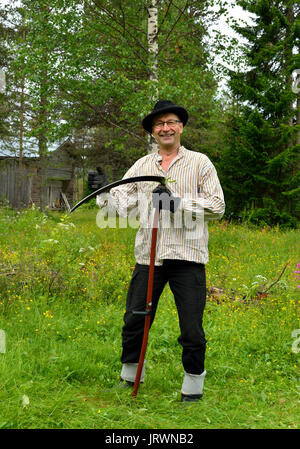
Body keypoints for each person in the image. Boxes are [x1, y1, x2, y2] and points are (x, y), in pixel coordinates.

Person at [97, 100, 225, 402]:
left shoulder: (200, 163)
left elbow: (217, 207)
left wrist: (177, 202)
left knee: (191, 327)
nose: (165, 128)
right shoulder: (142, 166)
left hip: (188, 257)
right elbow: (121, 207)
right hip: (148, 256)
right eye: (159, 124)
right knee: (135, 319)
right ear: (153, 131)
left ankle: (193, 387)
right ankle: (130, 378)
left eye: (170, 122)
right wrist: (103, 192)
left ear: (180, 126)